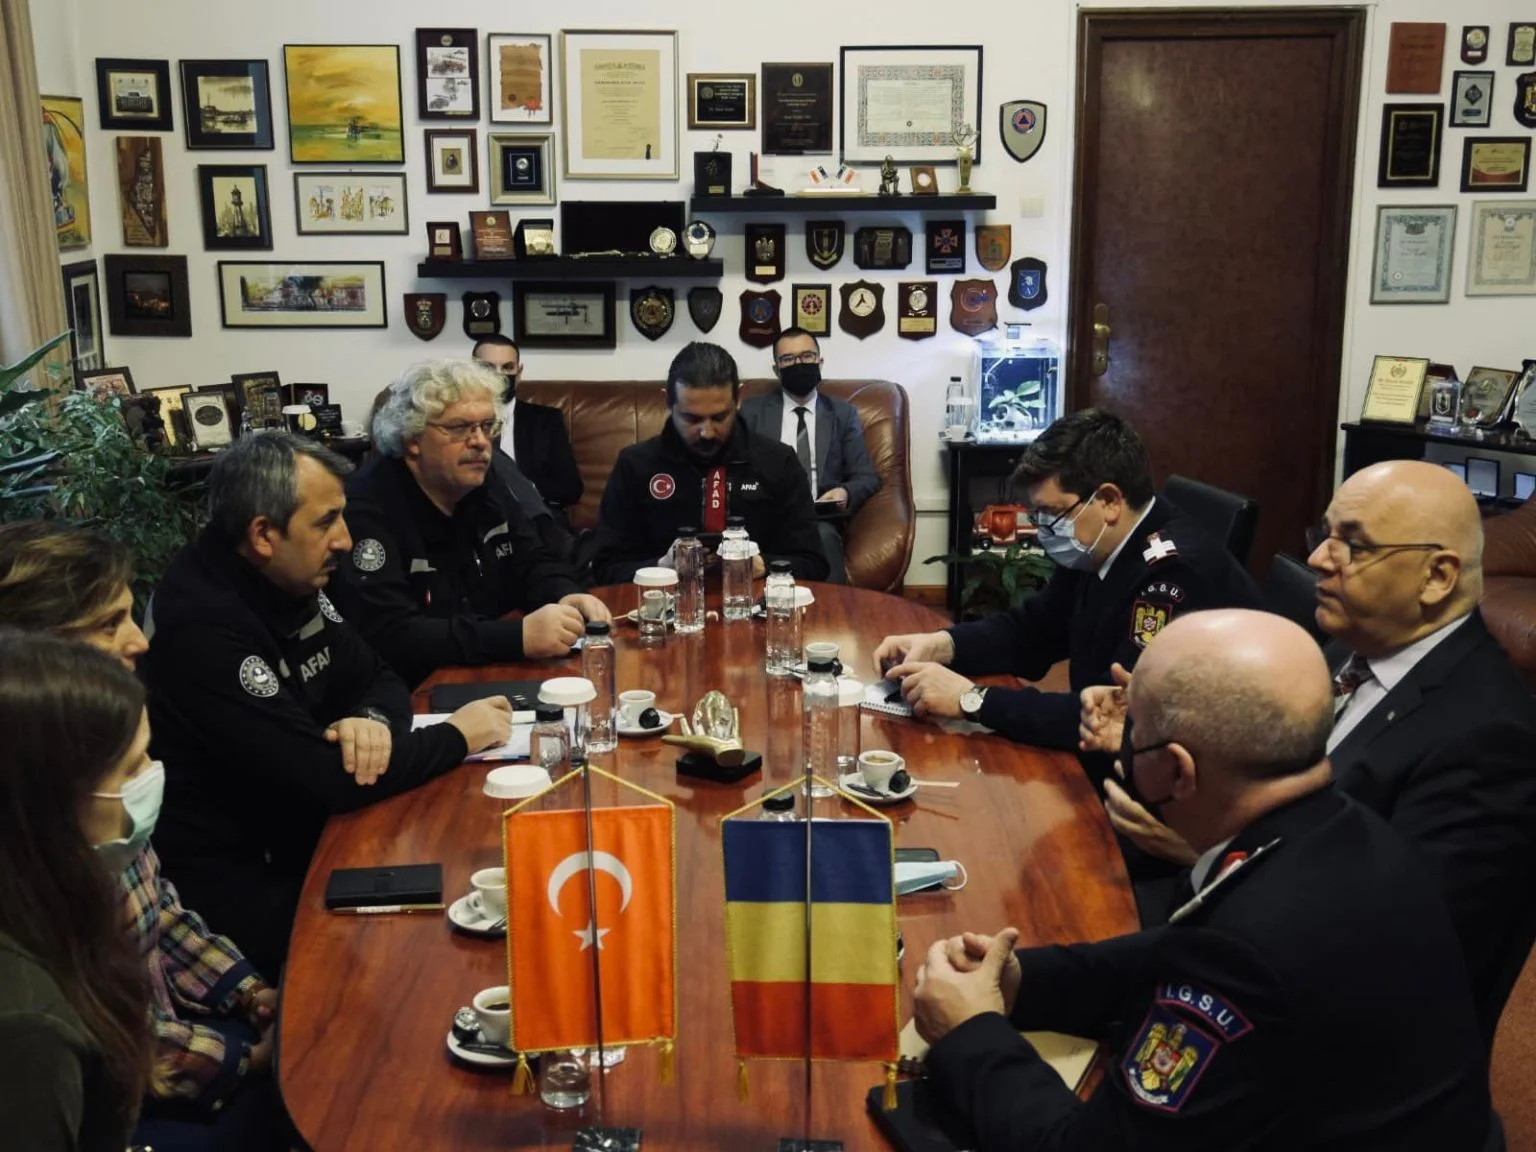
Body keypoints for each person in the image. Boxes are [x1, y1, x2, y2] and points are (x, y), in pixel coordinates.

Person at [914, 610, 1497, 1151]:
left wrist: (971, 1031)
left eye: (1131, 735)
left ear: (1176, 771)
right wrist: (1025, 982)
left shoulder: (1253, 947)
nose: (1121, 751)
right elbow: (1178, 950)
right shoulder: (1343, 828)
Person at [1081, 459, 1536, 1051]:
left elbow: (1395, 949)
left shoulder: (1488, 738)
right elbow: (1260, 775)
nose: (1319, 558)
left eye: (1353, 546)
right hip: (1225, 925)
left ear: (1436, 577)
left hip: (1317, 1032)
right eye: (1327, 535)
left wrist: (1212, 855)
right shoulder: (1354, 649)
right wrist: (1149, 730)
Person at [142, 433, 513, 978]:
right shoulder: (203, 625)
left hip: (312, 829)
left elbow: (379, 677)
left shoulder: (290, 578)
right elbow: (323, 779)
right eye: (326, 522)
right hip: (238, 886)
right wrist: (459, 736)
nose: (345, 540)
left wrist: (369, 722)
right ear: (263, 534)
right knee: (430, 953)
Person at [0, 521, 285, 1148]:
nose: (139, 641)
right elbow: (104, 1026)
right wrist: (247, 1061)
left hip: (176, 1039)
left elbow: (160, 909)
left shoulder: (101, 782)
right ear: (37, 655)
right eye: (109, 624)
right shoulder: (38, 840)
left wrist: (249, 992)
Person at [875, 408, 1262, 755]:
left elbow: (1112, 714)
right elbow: (1032, 631)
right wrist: (942, 645)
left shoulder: (1171, 578)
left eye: (1051, 513)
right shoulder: (1097, 545)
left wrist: (971, 699)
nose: (1042, 529)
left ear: (1109, 501)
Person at [332, 359, 608, 687]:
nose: (480, 442)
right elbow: (392, 634)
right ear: (412, 438)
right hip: (408, 691)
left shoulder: (480, 481)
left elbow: (532, 560)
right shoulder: (367, 508)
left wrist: (564, 594)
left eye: (487, 426)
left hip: (483, 672)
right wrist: (517, 637)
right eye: (459, 427)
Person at [0, 631, 153, 1151]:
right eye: (132, 769)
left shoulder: (51, 896)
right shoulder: (26, 1029)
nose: (152, 778)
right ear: (50, 802)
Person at [592, 341, 829, 584]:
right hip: (661, 601)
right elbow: (604, 569)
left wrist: (762, 566)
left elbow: (814, 563)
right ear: (667, 402)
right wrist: (662, 567)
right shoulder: (635, 465)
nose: (707, 432)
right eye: (691, 419)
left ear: (739, 398)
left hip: (754, 600)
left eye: (719, 417)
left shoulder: (778, 461)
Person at [739, 326, 881, 583]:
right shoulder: (752, 412)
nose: (799, 364)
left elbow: (866, 477)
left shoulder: (842, 414)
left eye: (807, 356)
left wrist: (844, 492)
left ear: (820, 362)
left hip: (818, 520)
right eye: (788, 359)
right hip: (765, 519)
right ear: (777, 369)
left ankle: (831, 608)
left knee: (823, 538)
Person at [473, 334, 583, 512]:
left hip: (532, 516)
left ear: (518, 373)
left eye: (507, 367)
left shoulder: (546, 421)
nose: (499, 375)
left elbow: (570, 488)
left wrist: (523, 490)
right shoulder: (454, 421)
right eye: (488, 368)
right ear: (471, 371)